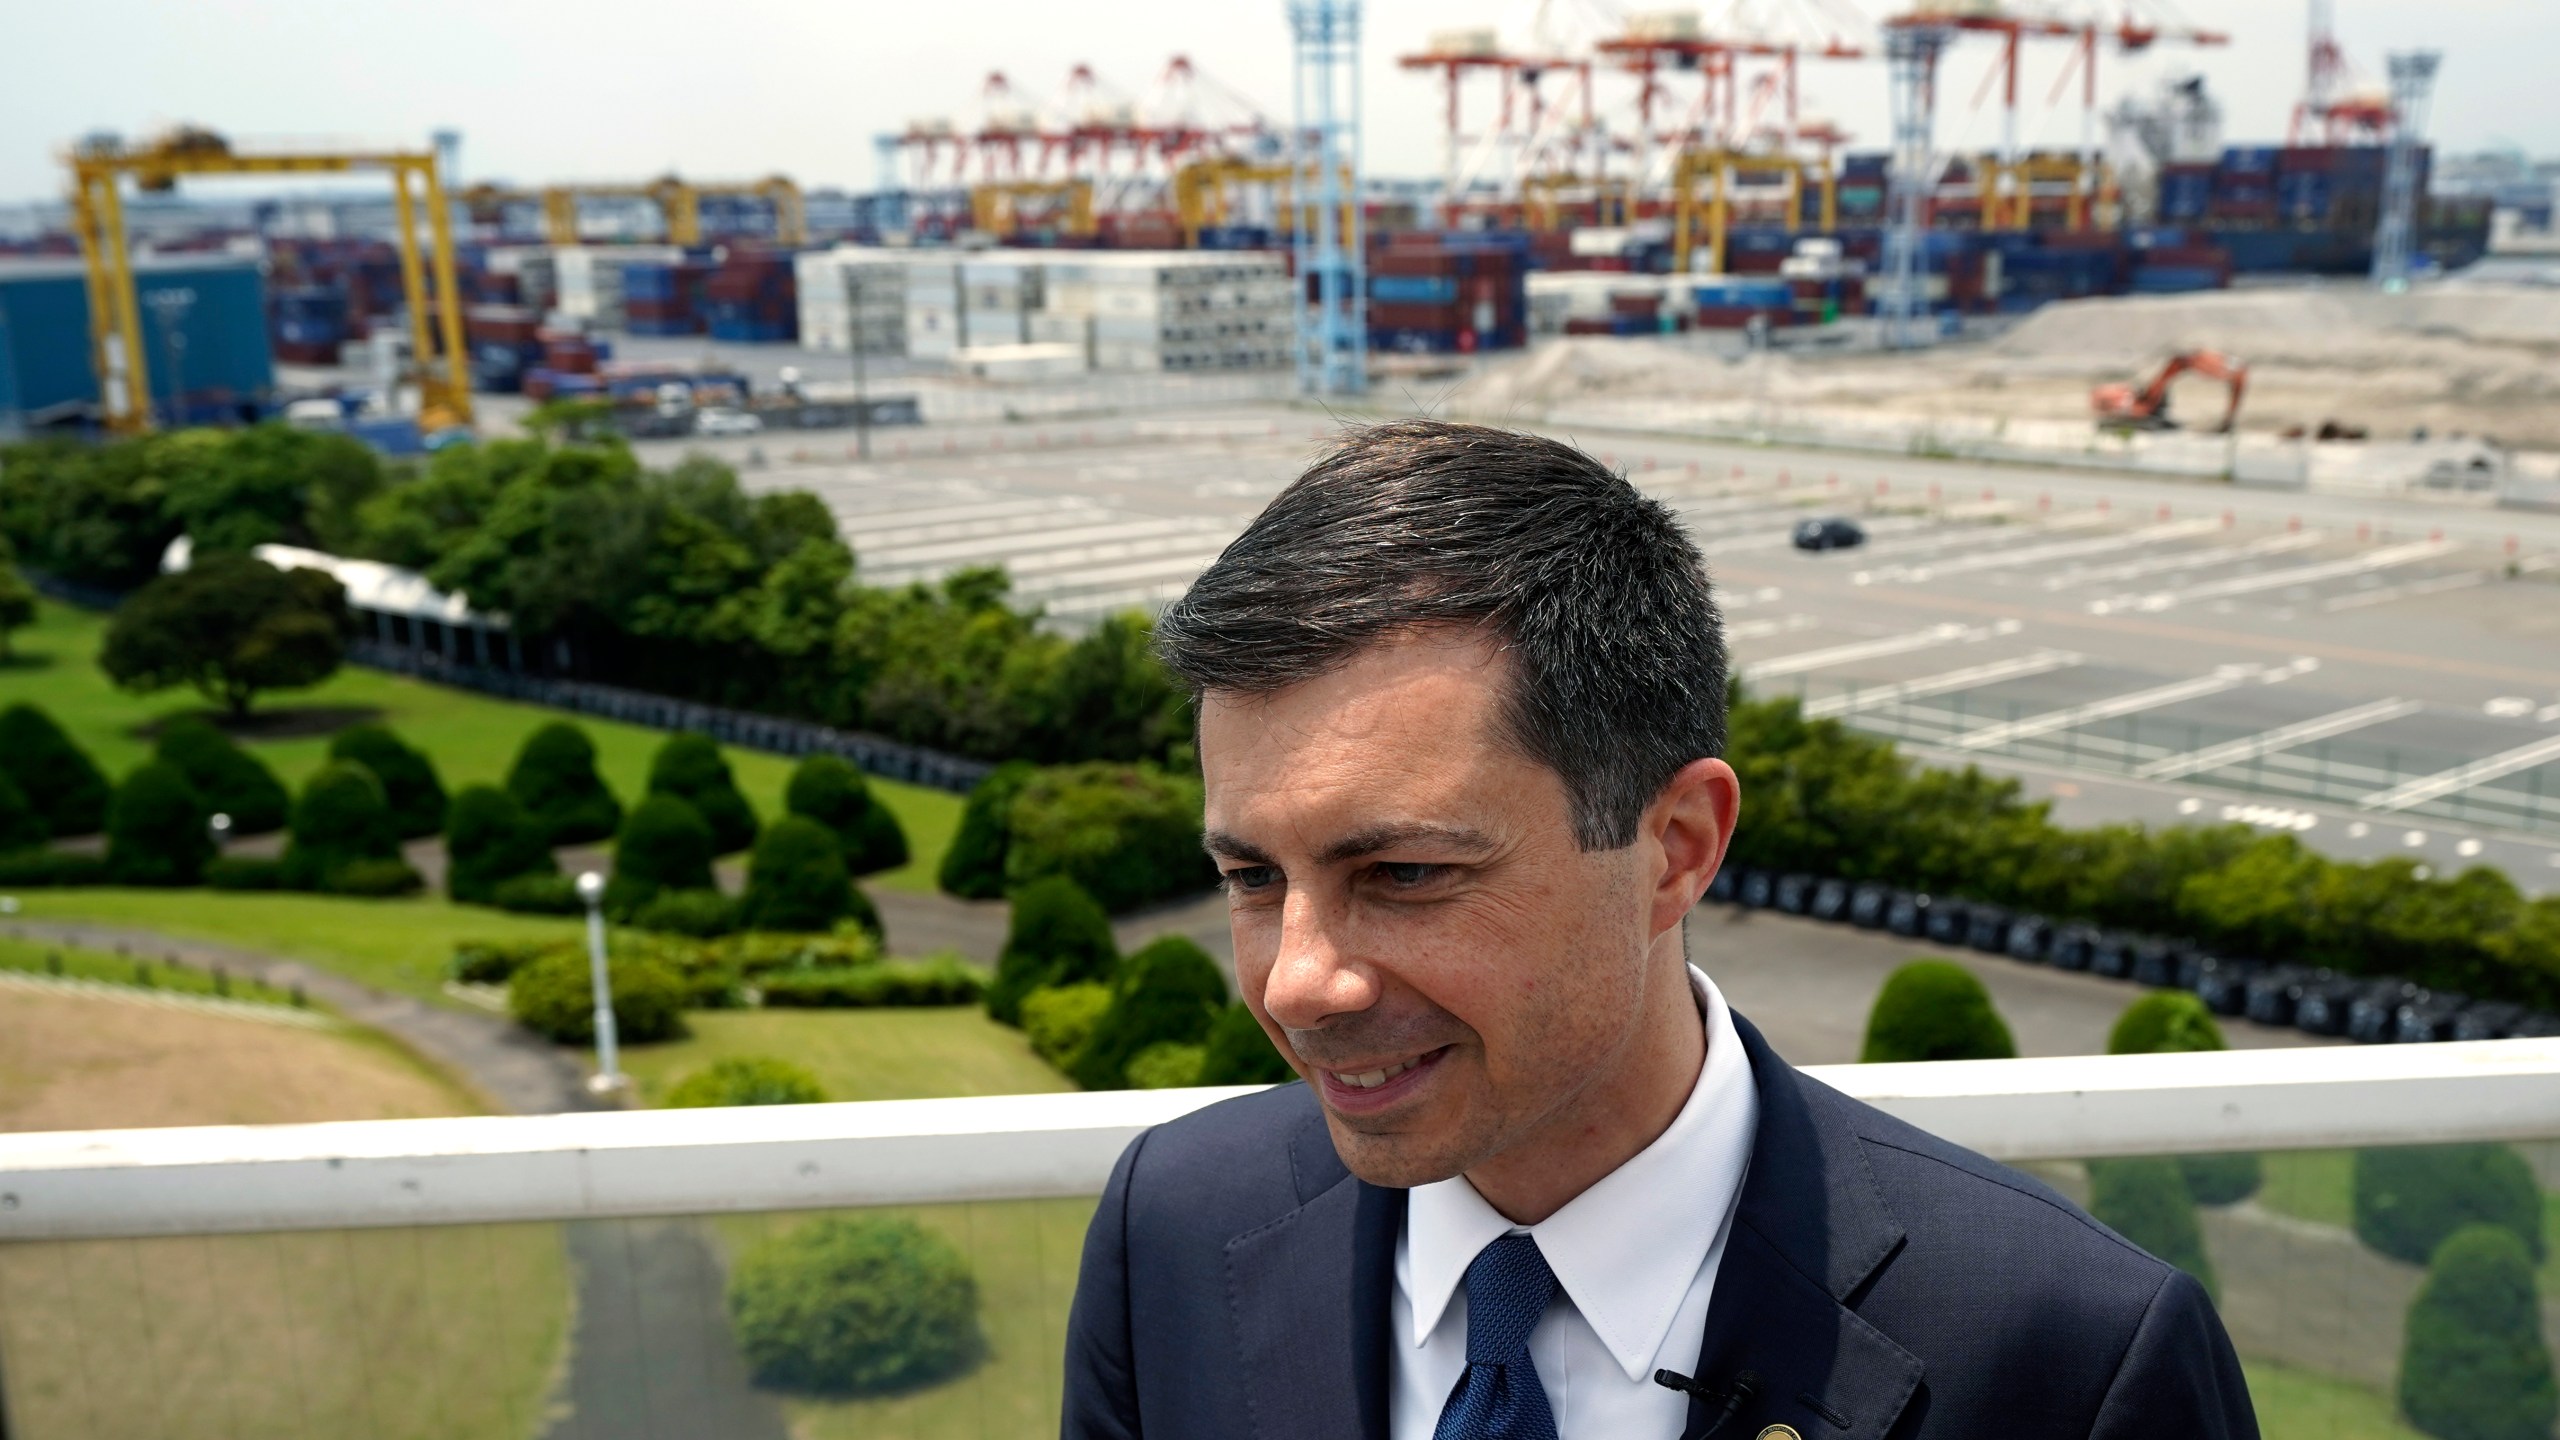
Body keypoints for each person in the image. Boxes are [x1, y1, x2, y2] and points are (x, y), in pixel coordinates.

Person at [1062, 419, 2257, 1440]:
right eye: (1251, 878)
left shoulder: (2071, 1354)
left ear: (1677, 845)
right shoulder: (1169, 1226)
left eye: (1407, 872)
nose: (1297, 984)